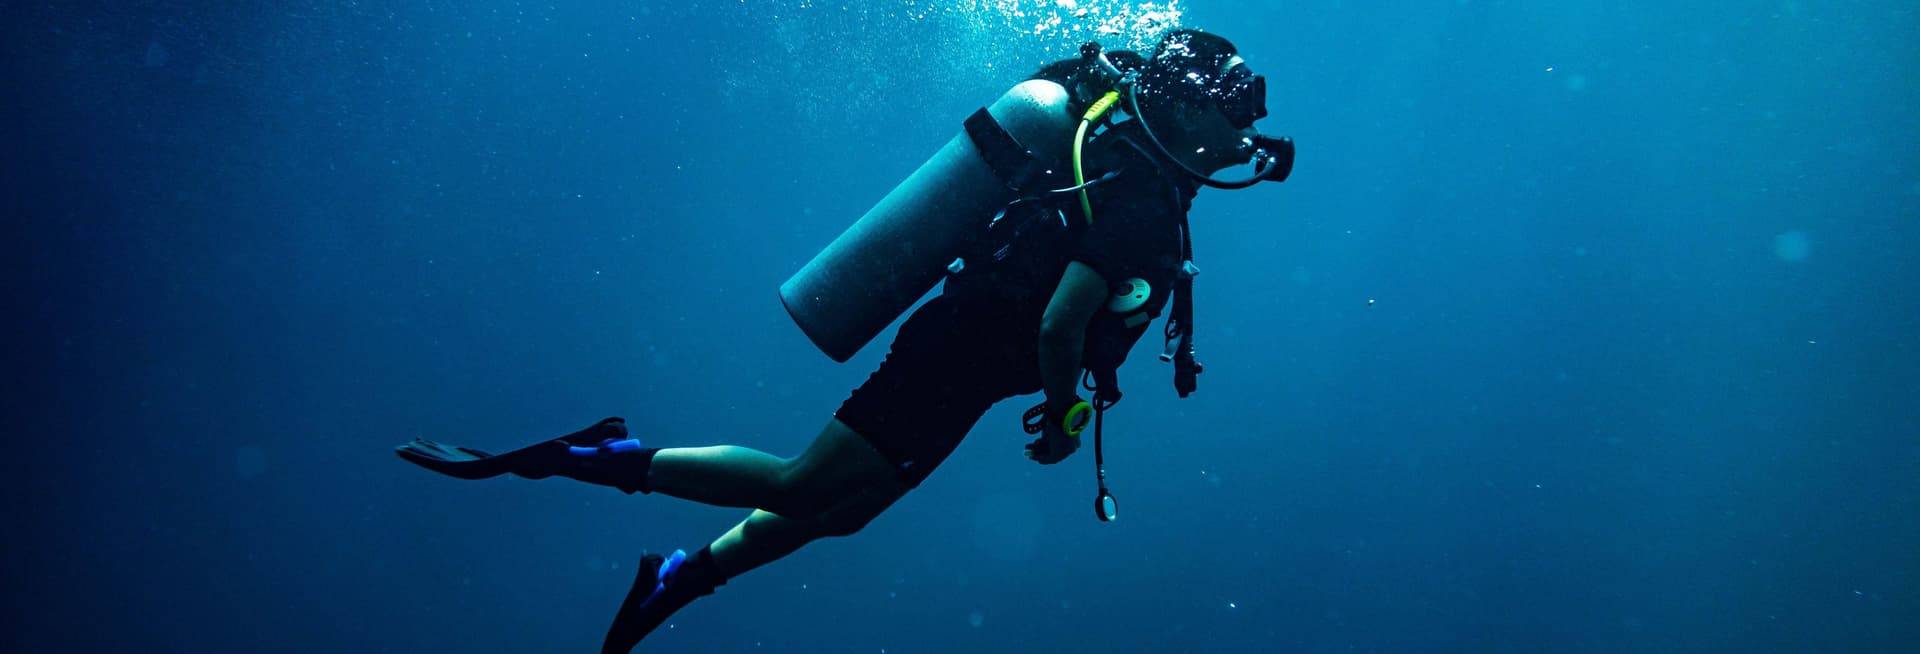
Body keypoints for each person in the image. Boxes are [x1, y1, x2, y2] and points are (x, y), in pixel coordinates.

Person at [397, 28, 1292, 653]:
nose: (1243, 139)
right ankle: (602, 456)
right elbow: (1063, 321)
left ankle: (675, 574)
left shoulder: (1141, 178)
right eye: (1232, 121)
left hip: (970, 370)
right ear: (1188, 115)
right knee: (802, 485)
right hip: (955, 356)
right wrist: (1063, 416)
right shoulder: (1139, 202)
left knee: (843, 515)